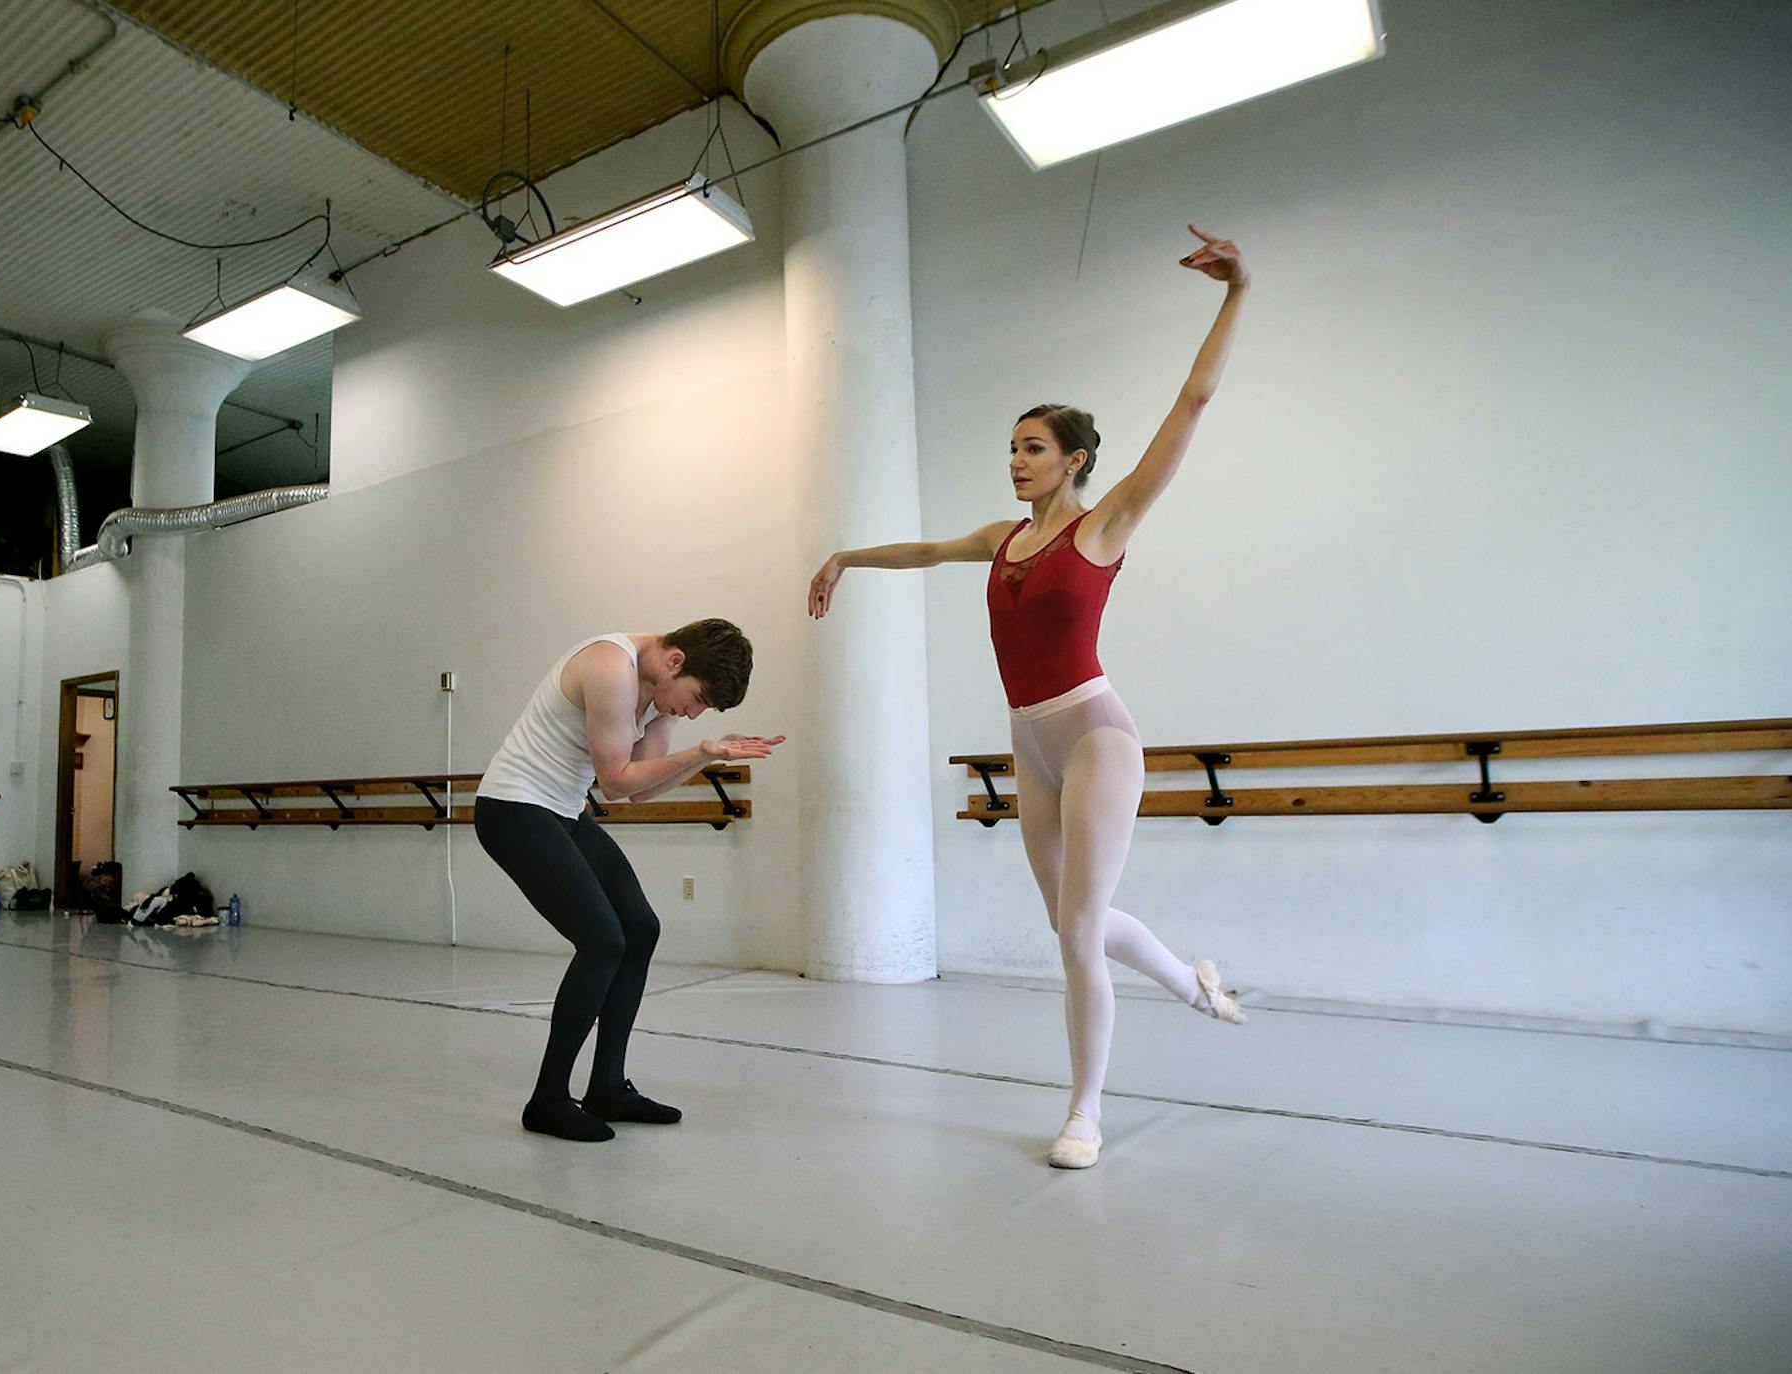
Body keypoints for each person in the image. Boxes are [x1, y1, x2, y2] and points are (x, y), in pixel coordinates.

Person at [808, 225, 1250, 1169]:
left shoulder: (1106, 523)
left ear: (1076, 459)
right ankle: (1190, 979)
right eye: (1012, 447)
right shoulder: (1004, 539)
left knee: (1078, 934)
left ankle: (1084, 1111)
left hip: (1095, 736)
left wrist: (1235, 292)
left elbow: (1194, 399)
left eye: (1035, 448)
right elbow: (926, 552)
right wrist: (846, 556)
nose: (1017, 461)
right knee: (1070, 921)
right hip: (1029, 746)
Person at [474, 620, 784, 1142]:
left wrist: (704, 752)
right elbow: (617, 783)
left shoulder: (660, 691)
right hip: (512, 808)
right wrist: (701, 750)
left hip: (562, 812)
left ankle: (607, 1088)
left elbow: (643, 789)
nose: (693, 711)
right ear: (677, 662)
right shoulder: (610, 667)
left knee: (639, 929)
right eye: (699, 699)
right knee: (601, 941)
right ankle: (548, 1099)